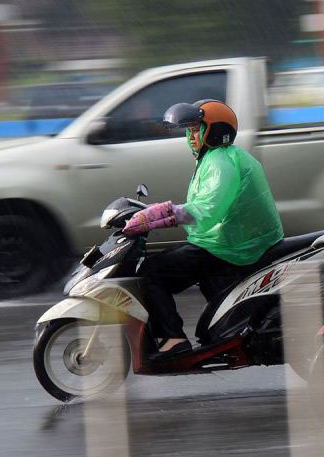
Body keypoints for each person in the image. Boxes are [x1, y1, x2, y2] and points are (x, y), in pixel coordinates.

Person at [122, 99, 284, 359]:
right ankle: (226, 334)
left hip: (232, 245)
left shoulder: (222, 161)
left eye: (197, 129)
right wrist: (154, 216)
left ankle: (174, 339)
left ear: (215, 130)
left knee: (151, 273)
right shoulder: (216, 157)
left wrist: (160, 215)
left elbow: (207, 210)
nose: (191, 136)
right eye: (189, 130)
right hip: (228, 241)